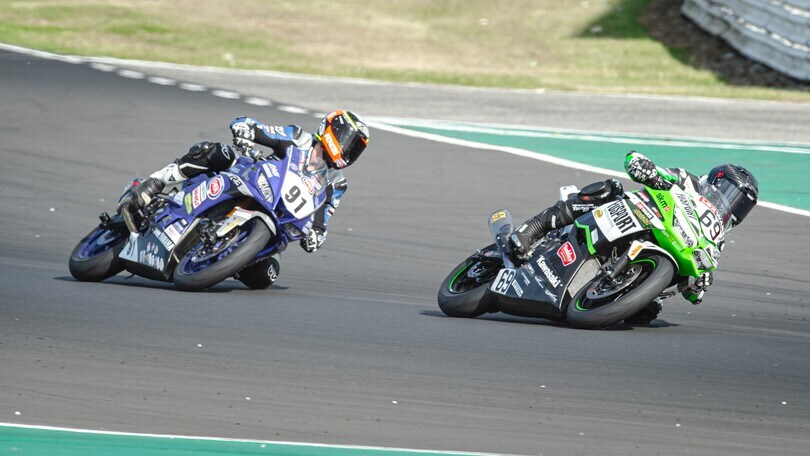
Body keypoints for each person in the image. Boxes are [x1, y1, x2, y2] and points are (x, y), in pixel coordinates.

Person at [120, 110, 369, 284]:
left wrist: (316, 237)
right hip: (251, 179)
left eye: (355, 147)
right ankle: (155, 183)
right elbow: (255, 127)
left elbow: (322, 219)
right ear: (330, 130)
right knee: (216, 152)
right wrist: (245, 131)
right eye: (348, 140)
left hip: (278, 218)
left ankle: (222, 259)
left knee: (266, 276)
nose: (349, 149)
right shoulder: (297, 138)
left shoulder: (337, 184)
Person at [509, 150, 759, 306]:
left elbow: (692, 293)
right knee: (609, 189)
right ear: (716, 180)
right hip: (635, 214)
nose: (731, 204)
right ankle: (532, 228)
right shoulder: (687, 180)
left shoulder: (716, 240)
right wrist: (646, 168)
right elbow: (640, 164)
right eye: (731, 193)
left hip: (661, 250)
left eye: (739, 205)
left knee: (649, 312)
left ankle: (616, 295)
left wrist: (698, 285)